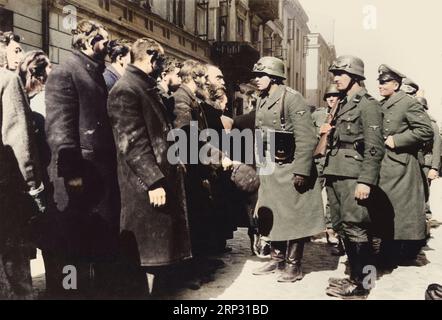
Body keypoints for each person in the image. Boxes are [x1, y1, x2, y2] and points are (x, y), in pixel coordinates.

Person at [107, 38, 193, 296]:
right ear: (152, 58)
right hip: (144, 187)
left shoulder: (144, 87)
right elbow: (132, 143)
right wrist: (154, 182)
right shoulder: (126, 89)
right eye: (161, 61)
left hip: (157, 180)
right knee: (149, 255)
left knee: (160, 252)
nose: (162, 67)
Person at [45, 20, 121, 297]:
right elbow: (60, 132)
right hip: (80, 181)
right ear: (88, 42)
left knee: (98, 246)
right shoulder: (66, 72)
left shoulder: (95, 73)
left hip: (99, 179)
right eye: (104, 40)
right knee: (73, 249)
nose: (108, 45)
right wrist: (73, 177)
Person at [251, 56, 325, 283]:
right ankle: (277, 258)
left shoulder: (292, 99)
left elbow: (306, 138)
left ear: (273, 77)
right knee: (274, 213)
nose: (256, 80)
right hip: (271, 166)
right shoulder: (262, 99)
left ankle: (294, 265)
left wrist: (302, 171)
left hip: (291, 165)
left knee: (294, 216)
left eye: (261, 76)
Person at [322, 56, 385, 299]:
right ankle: (354, 276)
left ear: (355, 77)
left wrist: (365, 181)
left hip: (353, 175)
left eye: (341, 74)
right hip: (337, 172)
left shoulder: (367, 104)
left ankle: (364, 285)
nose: (335, 78)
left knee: (357, 229)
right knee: (344, 227)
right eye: (334, 74)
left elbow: (374, 148)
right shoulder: (344, 102)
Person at [1, 31, 46, 300]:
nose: (19, 54)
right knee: (14, 263)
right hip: (8, 189)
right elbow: (19, 140)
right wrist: (34, 186)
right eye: (15, 49)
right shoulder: (7, 81)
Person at [377, 65, 434, 266]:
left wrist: (398, 140)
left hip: (401, 166)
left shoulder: (407, 103)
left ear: (396, 84)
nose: (380, 85)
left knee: (399, 212)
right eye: (379, 81)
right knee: (386, 210)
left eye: (384, 82)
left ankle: (394, 254)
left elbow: (426, 131)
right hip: (386, 165)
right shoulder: (384, 103)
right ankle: (388, 252)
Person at [311, 84, 345, 256]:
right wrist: (319, 131)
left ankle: (331, 229)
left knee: (333, 199)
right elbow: (308, 133)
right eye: (328, 96)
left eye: (335, 96)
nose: (331, 99)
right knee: (312, 195)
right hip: (318, 160)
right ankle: (310, 228)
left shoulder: (344, 114)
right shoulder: (317, 114)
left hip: (335, 161)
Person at [415, 96, 440, 228]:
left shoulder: (432, 124)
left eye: (421, 108)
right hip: (415, 161)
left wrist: (434, 168)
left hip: (426, 163)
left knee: (424, 190)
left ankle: (426, 218)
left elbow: (436, 148)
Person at [157, 56, 183, 122]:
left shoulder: (168, 97)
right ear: (164, 75)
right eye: (177, 75)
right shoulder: (157, 97)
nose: (180, 80)